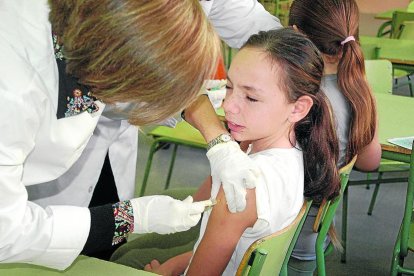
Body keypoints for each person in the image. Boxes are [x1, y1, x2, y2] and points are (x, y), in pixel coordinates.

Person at [0, 0, 222, 270]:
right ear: (114, 72)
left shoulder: (96, 39)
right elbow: (6, 232)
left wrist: (221, 143)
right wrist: (132, 217)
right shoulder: (12, 91)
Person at [27, 0, 282, 215]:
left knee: (106, 226)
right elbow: (18, 232)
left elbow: (253, 23)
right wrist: (215, 136)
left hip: (112, 127)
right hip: (52, 130)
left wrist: (305, 52)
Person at [141, 27, 341, 276]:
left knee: (121, 257)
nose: (228, 106)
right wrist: (177, 263)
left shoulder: (242, 183)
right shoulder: (296, 150)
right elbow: (231, 244)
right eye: (229, 87)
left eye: (251, 98)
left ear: (298, 108)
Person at [287, 0, 382, 274]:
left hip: (281, 247)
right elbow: (369, 162)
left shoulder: (294, 100)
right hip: (316, 237)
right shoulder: (359, 92)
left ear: (298, 35)